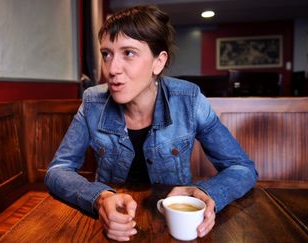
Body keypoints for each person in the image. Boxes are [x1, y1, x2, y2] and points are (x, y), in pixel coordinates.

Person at [45, 5, 258, 242]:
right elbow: (58, 170)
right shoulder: (92, 101)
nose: (112, 69)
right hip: (113, 223)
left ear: (159, 62)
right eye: (107, 54)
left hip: (174, 226)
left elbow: (242, 168)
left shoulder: (189, 101)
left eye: (129, 53)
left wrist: (207, 192)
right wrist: (100, 197)